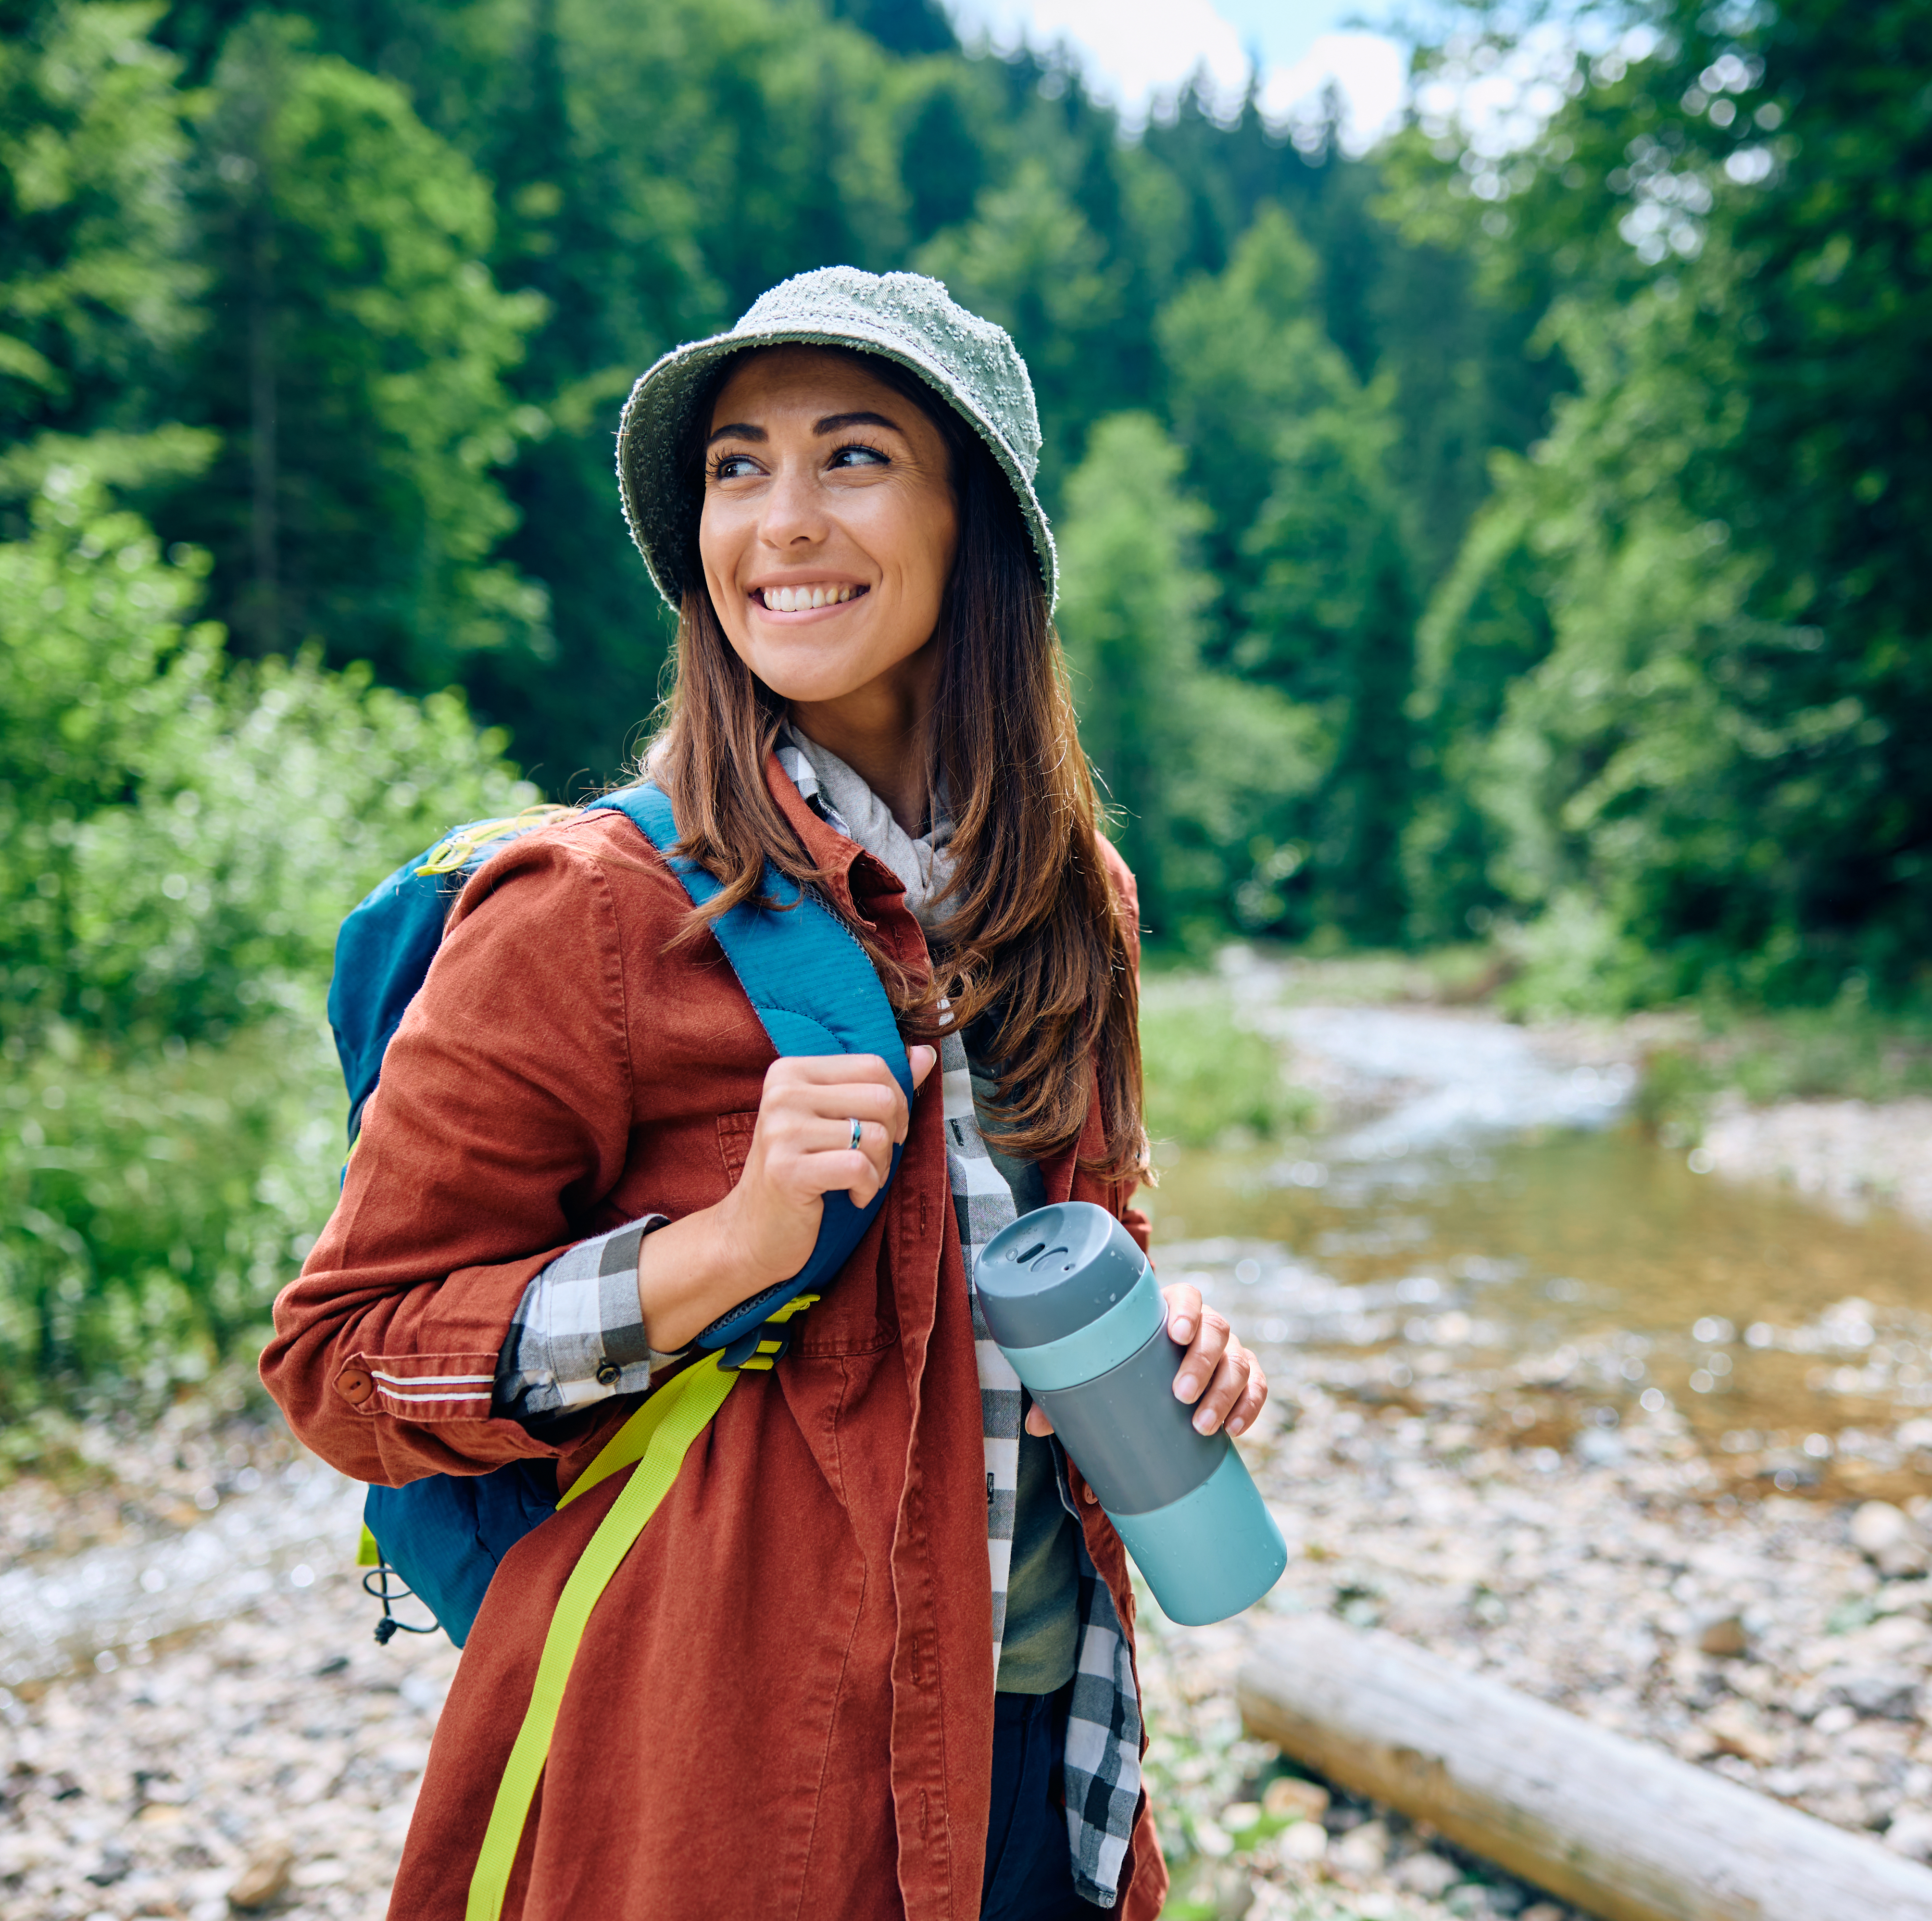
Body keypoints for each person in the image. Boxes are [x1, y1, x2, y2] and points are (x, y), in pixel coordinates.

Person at [261, 267, 1270, 1921]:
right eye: (739, 467)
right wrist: (726, 1249)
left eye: (854, 457)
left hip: (1038, 1739)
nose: (781, 522)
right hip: (719, 1769)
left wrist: (1170, 1328)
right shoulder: (587, 909)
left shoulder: (1073, 894)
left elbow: (1082, 1230)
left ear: (979, 528)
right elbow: (339, 1367)